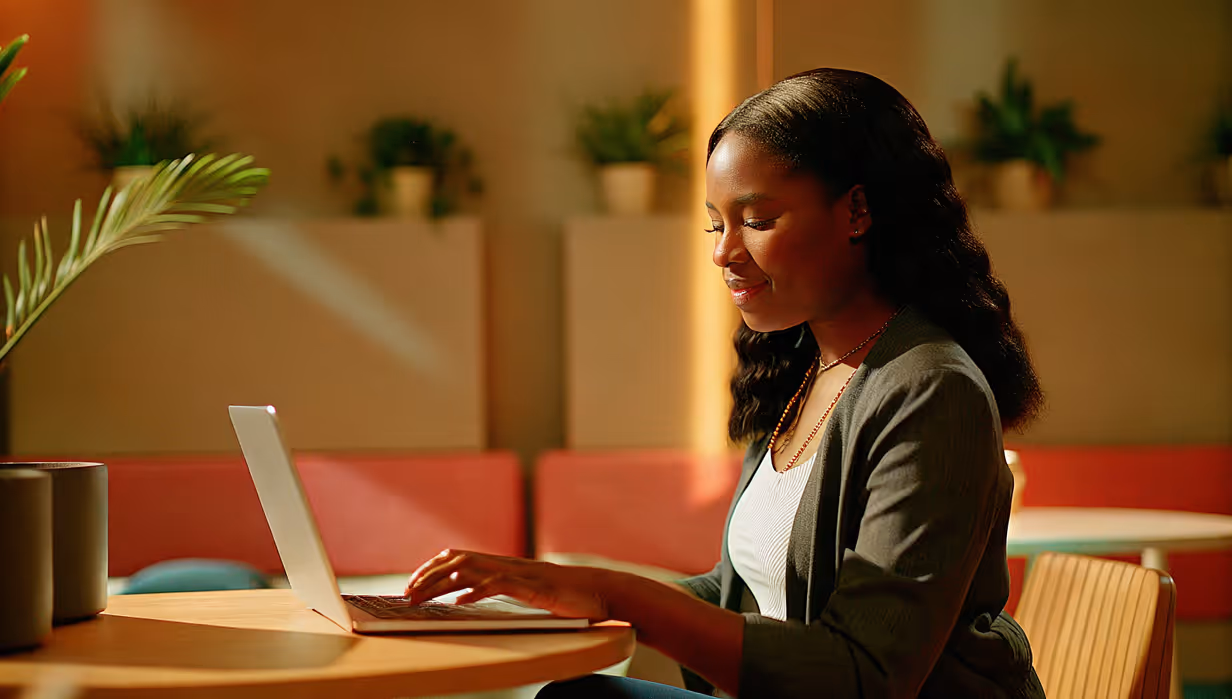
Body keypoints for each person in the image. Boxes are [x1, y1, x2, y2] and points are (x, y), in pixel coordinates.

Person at [404, 68, 1047, 698]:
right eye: (716, 223)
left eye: (758, 221)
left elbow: (867, 676)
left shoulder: (931, 389)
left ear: (856, 210)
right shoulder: (802, 368)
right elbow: (738, 596)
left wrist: (615, 595)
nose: (723, 251)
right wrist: (547, 595)